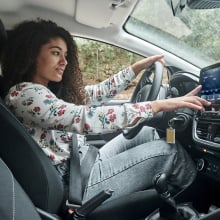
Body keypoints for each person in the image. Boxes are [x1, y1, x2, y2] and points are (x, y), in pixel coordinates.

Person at [1, 19, 210, 204]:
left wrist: (137, 67)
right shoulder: (25, 95)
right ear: (30, 54)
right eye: (56, 53)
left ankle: (173, 195)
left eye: (65, 54)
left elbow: (96, 93)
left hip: (81, 163)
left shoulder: (42, 91)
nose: (64, 61)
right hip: (75, 183)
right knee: (169, 153)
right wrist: (160, 105)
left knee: (147, 132)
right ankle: (201, 205)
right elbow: (85, 118)